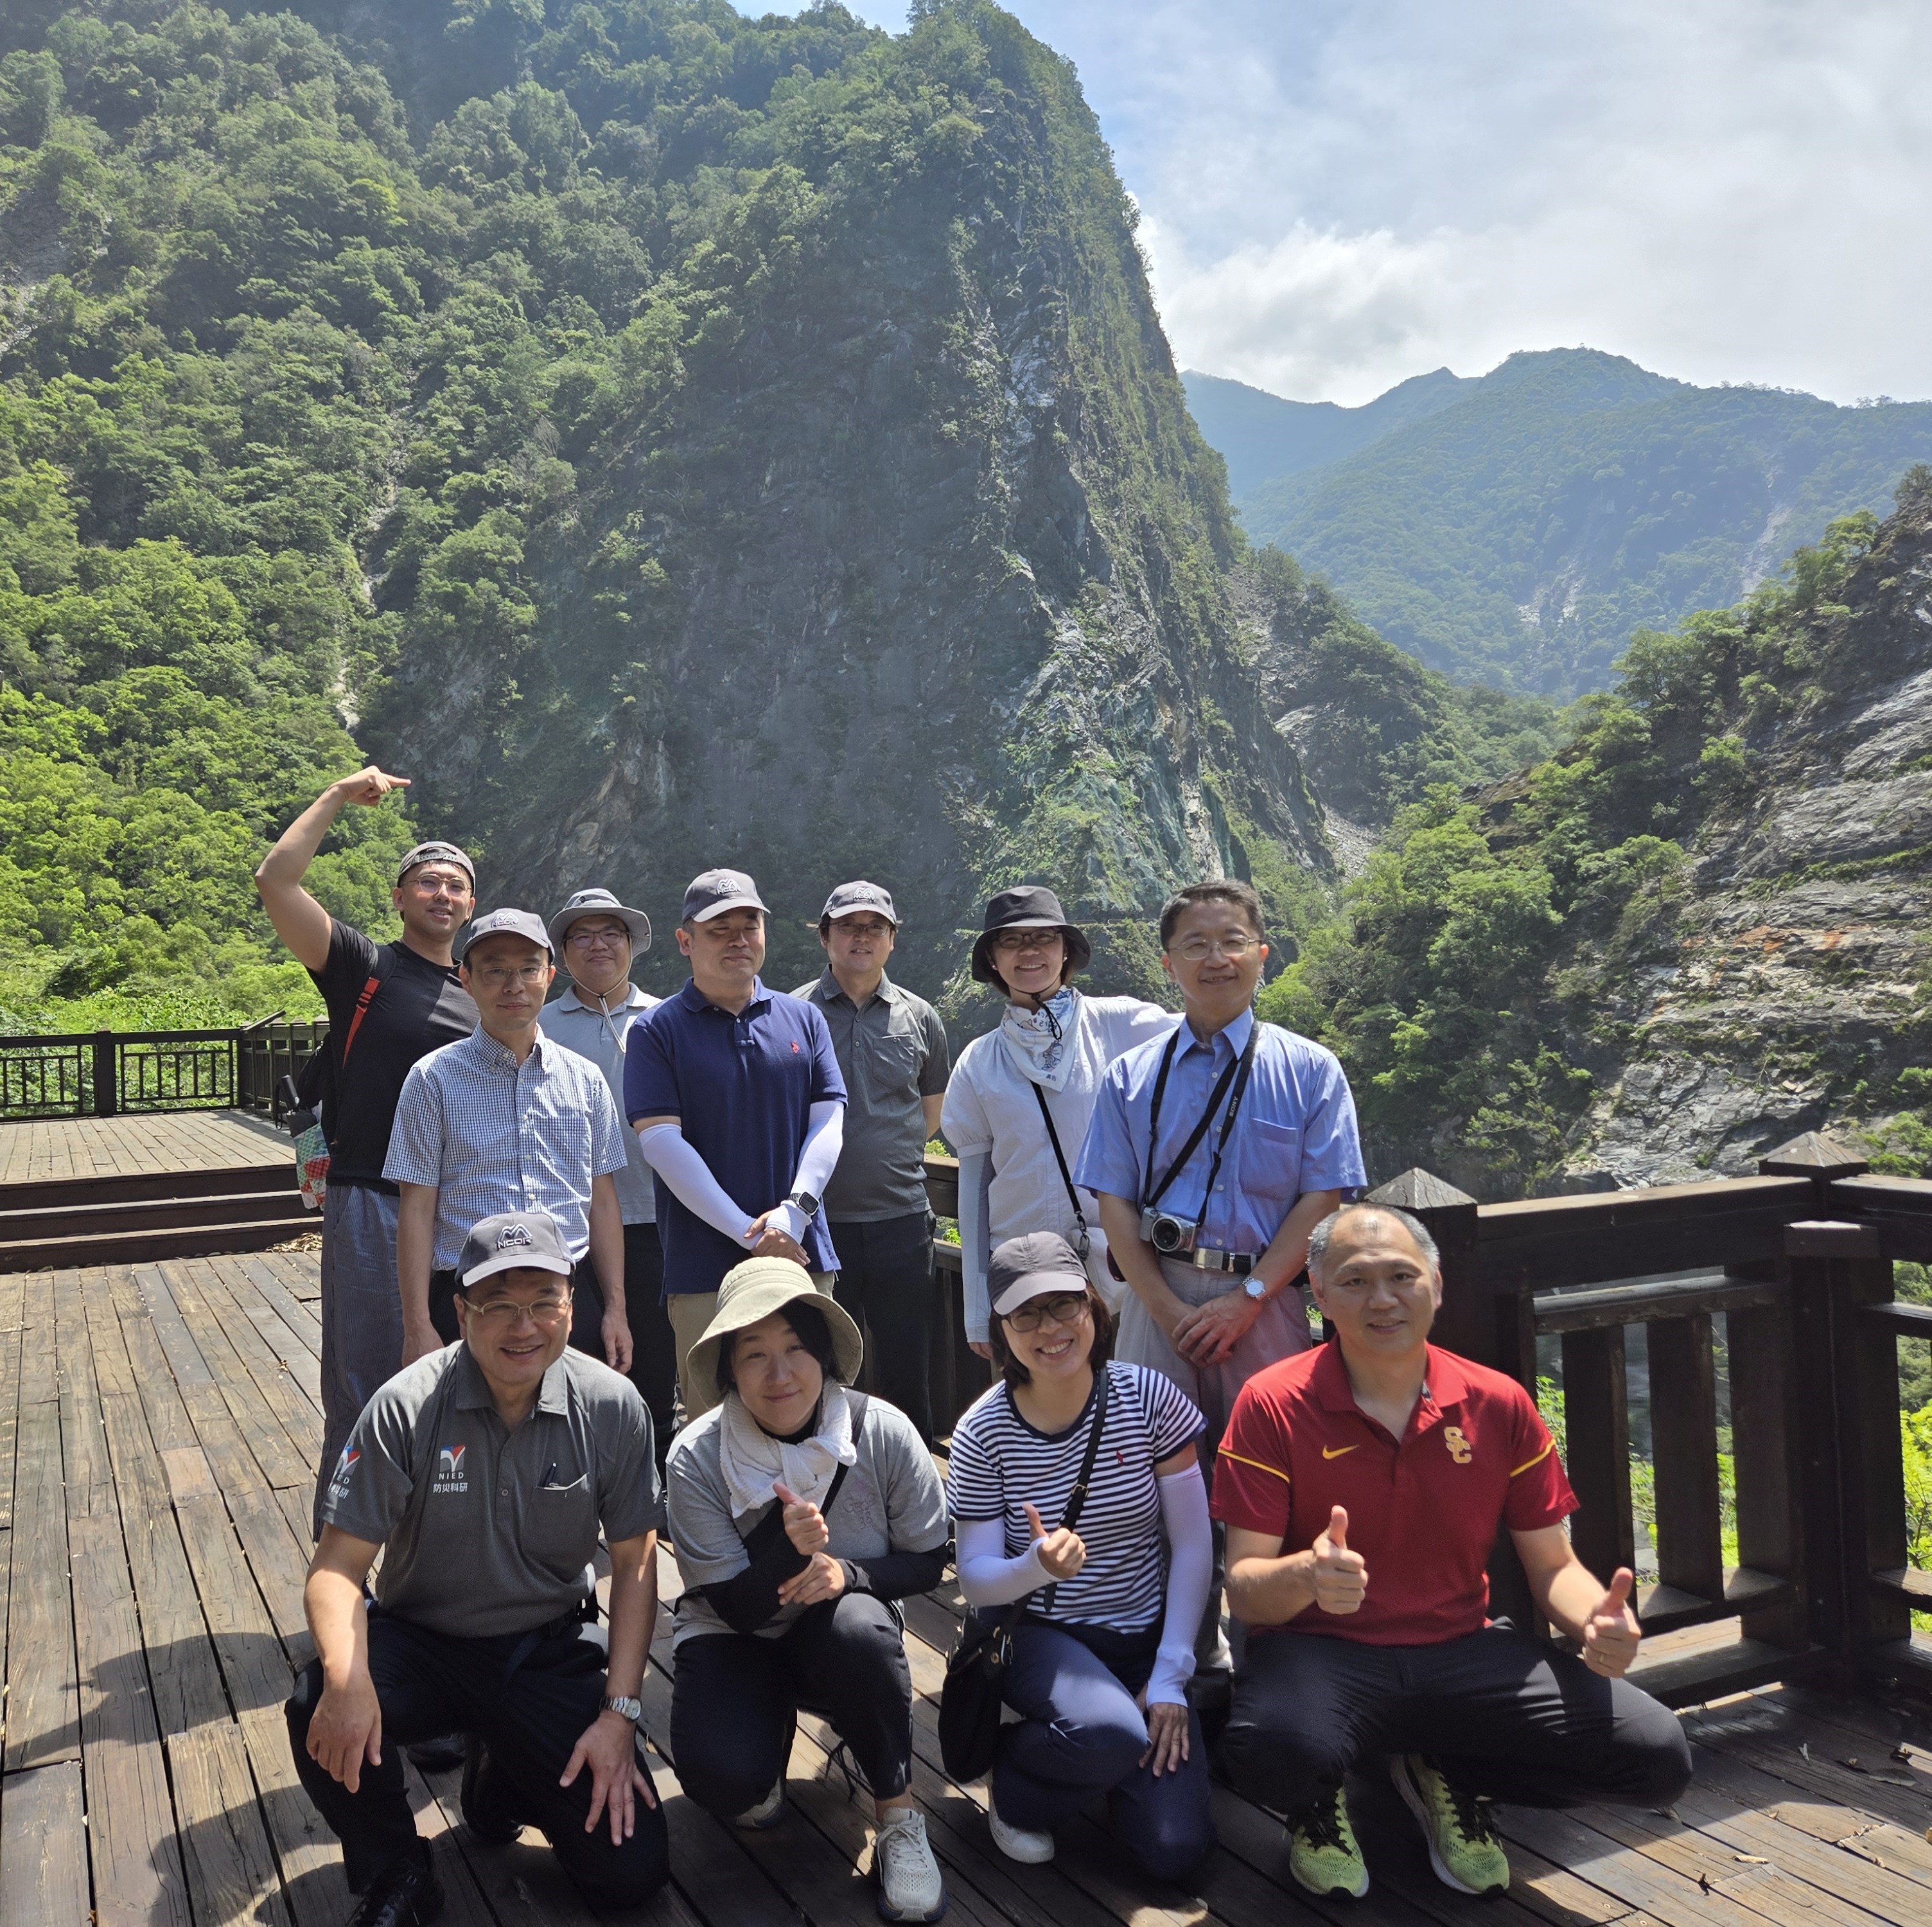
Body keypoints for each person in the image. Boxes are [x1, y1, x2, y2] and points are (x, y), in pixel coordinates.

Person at [1215, 1202, 1693, 1901]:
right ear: (1318, 1294)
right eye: (1353, 1281)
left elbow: (1552, 1567)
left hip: (1459, 1648)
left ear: (1436, 1286)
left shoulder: (1495, 1402)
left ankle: (1452, 1772)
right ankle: (1318, 1800)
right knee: (1269, 1755)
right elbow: (1244, 1588)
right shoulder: (1272, 1403)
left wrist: (1595, 1621)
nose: (1381, 1299)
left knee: (1655, 1758)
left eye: (1401, 1276)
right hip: (1321, 1652)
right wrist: (1307, 1576)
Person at [286, 1209, 669, 1927]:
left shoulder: (614, 1407)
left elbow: (636, 1561)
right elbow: (336, 1569)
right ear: (462, 1313)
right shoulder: (405, 1407)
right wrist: (348, 1680)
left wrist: (620, 1715)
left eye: (542, 1302)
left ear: (570, 1305)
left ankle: (502, 1776)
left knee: (631, 1873)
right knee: (316, 1701)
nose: (522, 1327)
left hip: (544, 1650)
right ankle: (399, 1869)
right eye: (498, 1305)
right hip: (422, 1641)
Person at [1076, 879, 1366, 1694]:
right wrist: (1167, 1308)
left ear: (1261, 955)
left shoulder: (1309, 1070)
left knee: (1269, 1472)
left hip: (1266, 1301)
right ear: (1168, 964)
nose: (1216, 958)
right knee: (1148, 1472)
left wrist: (1246, 1300)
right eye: (1196, 945)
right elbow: (1114, 1204)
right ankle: (1176, 1654)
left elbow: (1323, 1195)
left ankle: (1268, 1654)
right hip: (1155, 1295)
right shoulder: (1133, 1075)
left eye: (1231, 940)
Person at [665, 1256, 950, 1923]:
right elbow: (732, 1607)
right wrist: (789, 1551)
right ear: (727, 1371)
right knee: (722, 1777)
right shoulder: (695, 1455)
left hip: (835, 1631)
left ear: (824, 1356)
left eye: (795, 1348)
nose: (779, 1373)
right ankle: (758, 1751)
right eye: (754, 1354)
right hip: (735, 1634)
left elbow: (929, 1558)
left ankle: (897, 1813)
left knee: (860, 1627)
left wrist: (847, 1573)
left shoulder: (882, 1430)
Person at [945, 1234, 1216, 1882]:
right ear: (1002, 1330)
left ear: (1092, 1307)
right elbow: (979, 1584)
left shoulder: (1149, 1400)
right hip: (1043, 1635)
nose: (1050, 1328)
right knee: (1114, 1736)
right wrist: (1035, 1565)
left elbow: (1193, 1542)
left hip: (1144, 1639)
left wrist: (1173, 1673)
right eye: (1025, 1315)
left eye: (1064, 1305)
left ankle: (1096, 1753)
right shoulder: (983, 1432)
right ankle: (1015, 1781)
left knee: (1173, 1850)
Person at [253, 767, 479, 1538]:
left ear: (471, 905)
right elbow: (276, 882)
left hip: (463, 1212)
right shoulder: (362, 970)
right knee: (364, 1391)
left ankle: (440, 1573)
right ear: (400, 898)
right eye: (426, 883)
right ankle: (343, 1579)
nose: (441, 895)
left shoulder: (485, 989)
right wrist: (337, 797)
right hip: (373, 1200)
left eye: (454, 886)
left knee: (466, 1395)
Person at [625, 868, 847, 1423]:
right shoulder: (656, 1031)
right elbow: (660, 1143)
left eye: (749, 925)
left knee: (812, 1414)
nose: (738, 939)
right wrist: (753, 1234)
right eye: (719, 928)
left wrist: (793, 1217)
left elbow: (829, 1124)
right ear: (686, 942)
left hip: (802, 1254)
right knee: (714, 1423)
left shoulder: (805, 1019)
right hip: (705, 1268)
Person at [384, 909, 633, 1374]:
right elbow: (416, 1207)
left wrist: (616, 1309)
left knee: (575, 1436)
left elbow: (601, 1201)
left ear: (549, 976)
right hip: (469, 1296)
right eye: (495, 970)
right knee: (467, 1438)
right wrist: (417, 1323)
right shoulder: (431, 1079)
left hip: (569, 1293)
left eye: (527, 969)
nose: (513, 985)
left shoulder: (585, 1080)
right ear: (467, 979)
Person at [940, 886, 1177, 1360]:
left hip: (1119, 1272)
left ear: (1065, 950)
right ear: (992, 959)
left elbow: (1208, 1046)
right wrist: (975, 1308)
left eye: (1045, 937)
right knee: (1040, 1414)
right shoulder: (978, 1062)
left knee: (1122, 1411)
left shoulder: (1126, 1026)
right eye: (1012, 941)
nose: (1030, 951)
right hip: (1025, 1280)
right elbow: (974, 1191)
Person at [791, 881, 950, 1443]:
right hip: (817, 1224)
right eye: (849, 927)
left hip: (901, 1220)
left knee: (907, 1365)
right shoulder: (793, 1014)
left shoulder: (920, 1017)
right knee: (821, 1365)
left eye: (875, 928)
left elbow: (929, 1114)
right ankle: (822, 1487)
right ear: (826, 937)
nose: (862, 938)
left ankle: (913, 1492)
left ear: (892, 940)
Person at [545, 887, 677, 1467]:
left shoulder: (668, 1020)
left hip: (656, 1219)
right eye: (582, 935)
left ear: (633, 945)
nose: (598, 944)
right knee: (571, 1362)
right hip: (568, 1228)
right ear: (563, 952)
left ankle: (652, 1489)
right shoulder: (539, 1024)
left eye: (611, 933)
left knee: (654, 1360)